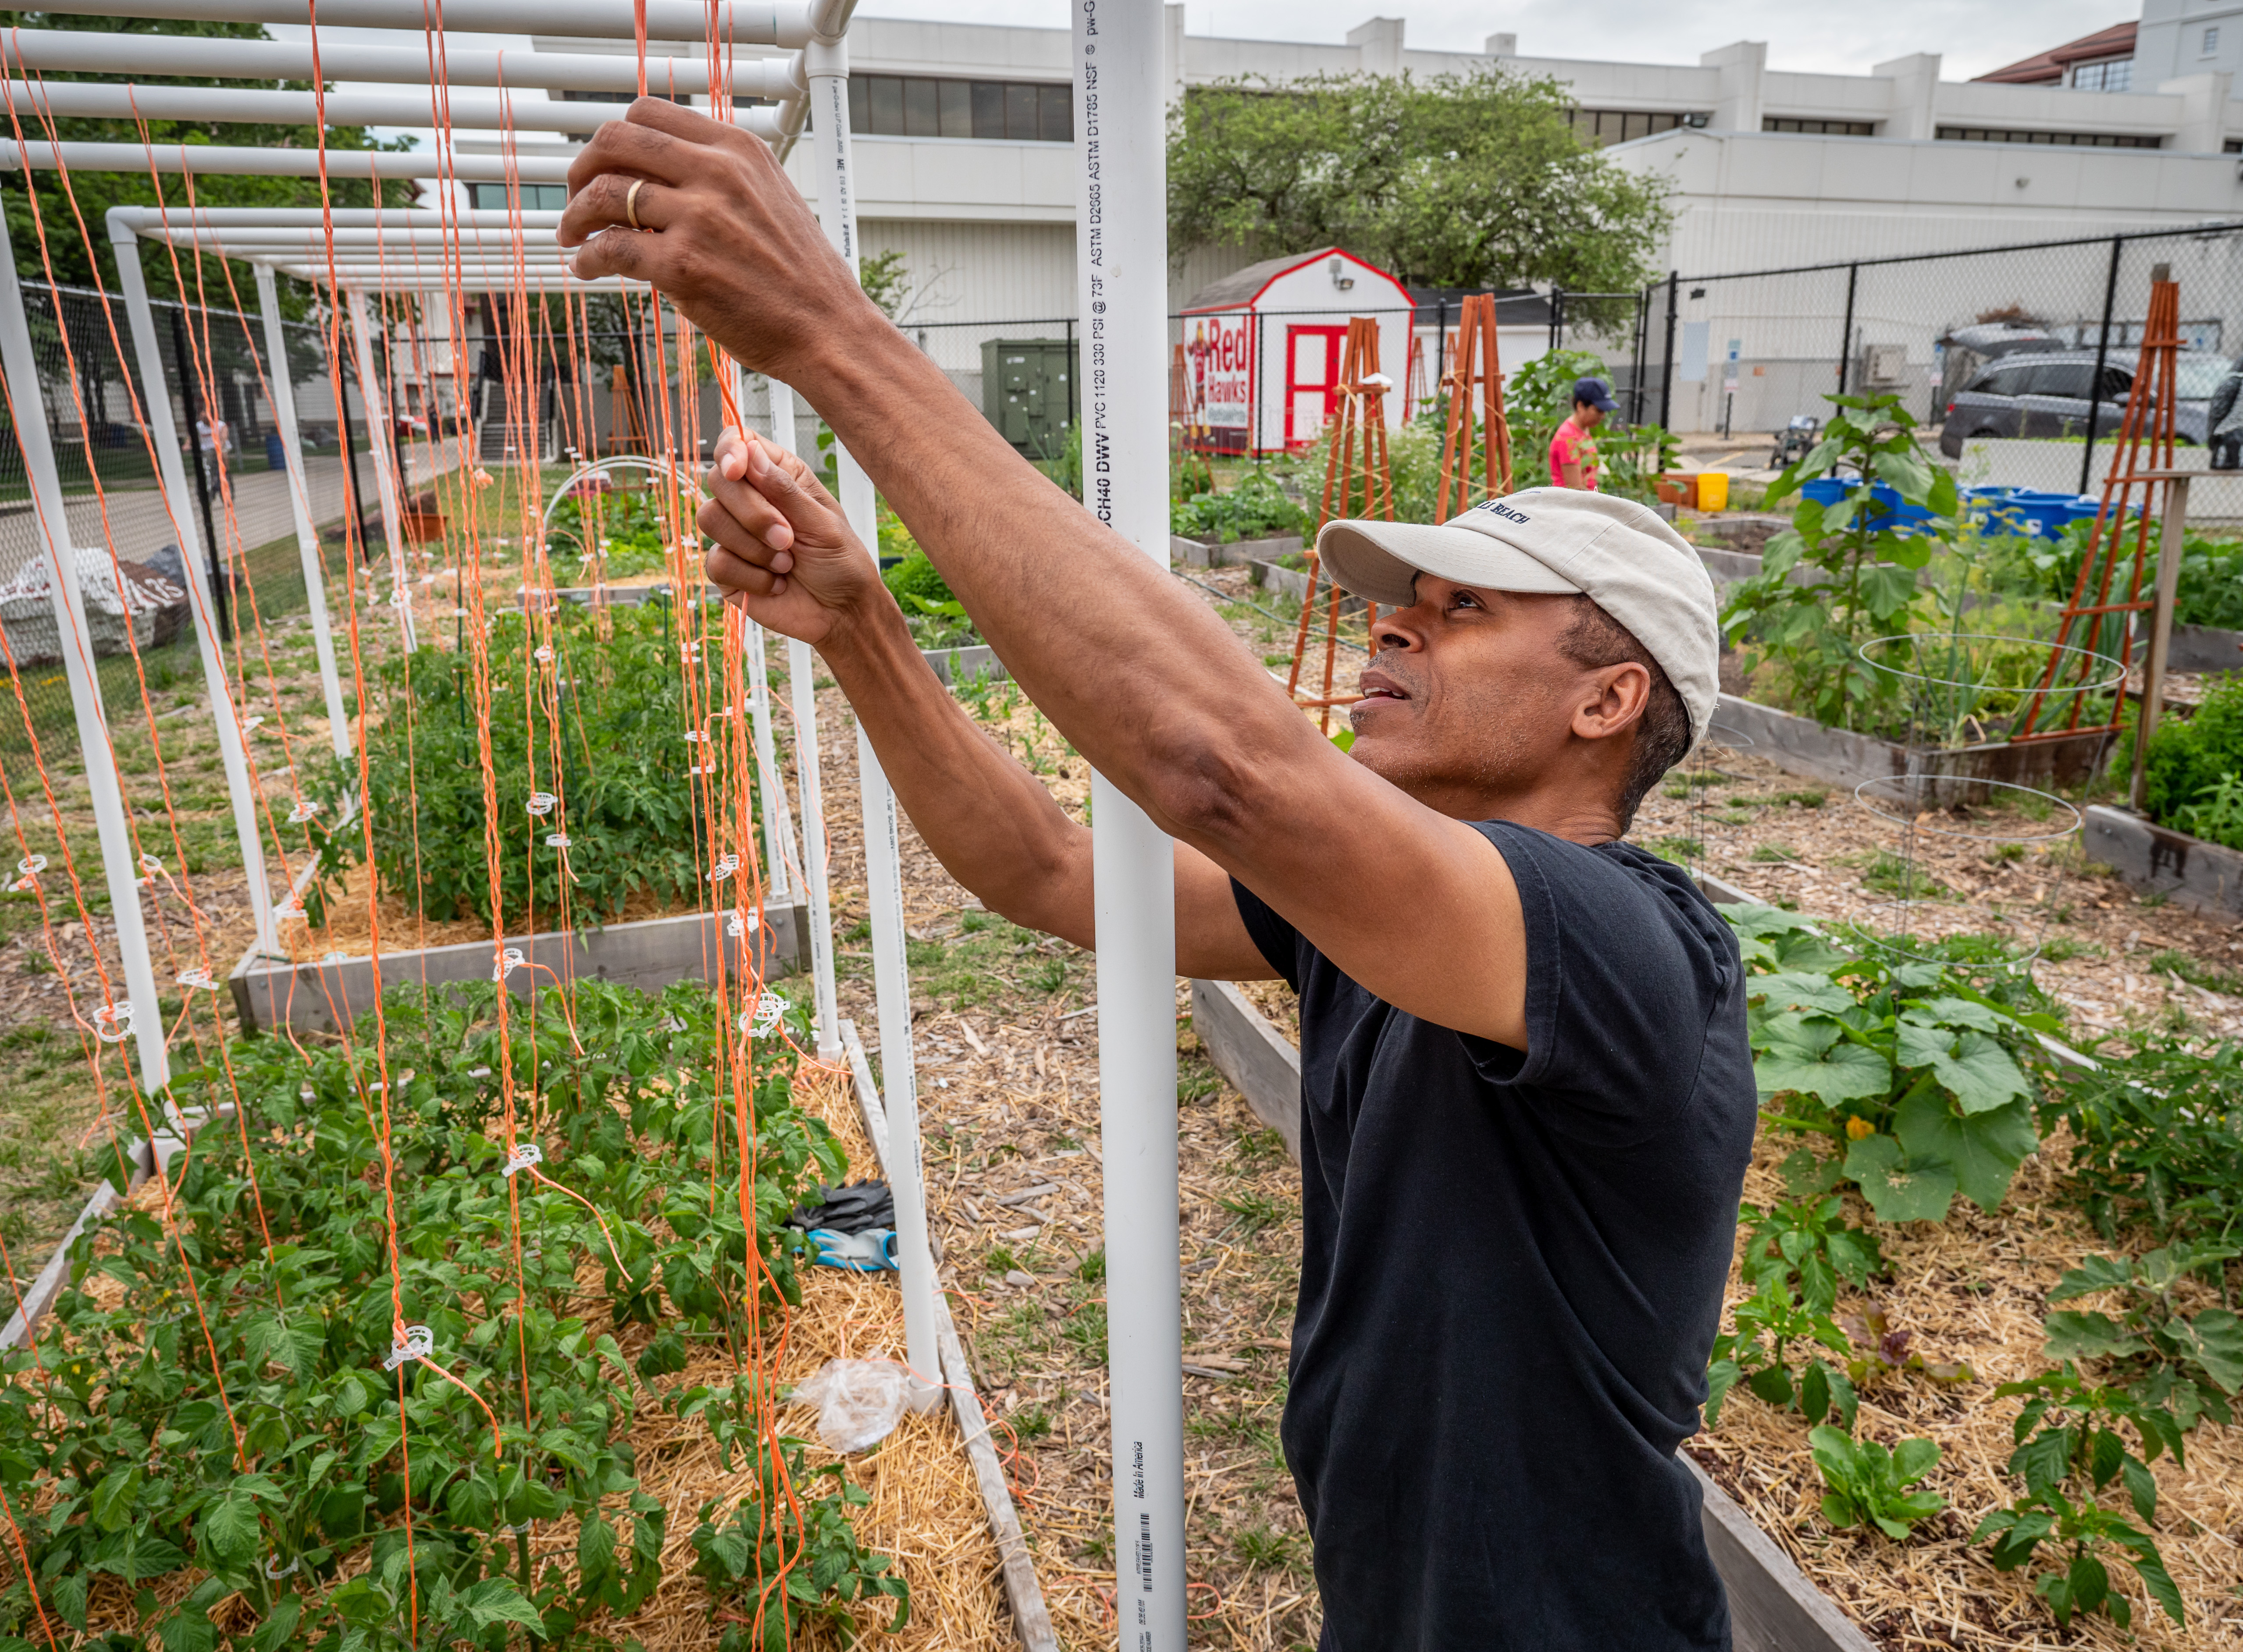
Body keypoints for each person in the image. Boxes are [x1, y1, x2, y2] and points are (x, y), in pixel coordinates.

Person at [556, 99, 1756, 1652]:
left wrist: (833, 338)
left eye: (1462, 610)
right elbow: (1052, 869)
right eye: (1404, 600)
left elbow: (1225, 767)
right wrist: (864, 630)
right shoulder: (1385, 915)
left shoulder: (1620, 943)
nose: (1393, 625)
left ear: (1607, 700)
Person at [1549, 374, 1616, 490]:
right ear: (1580, 406)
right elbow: (1575, 490)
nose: (1603, 416)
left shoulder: (1583, 429)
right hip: (1570, 506)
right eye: (1599, 411)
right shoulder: (1568, 438)